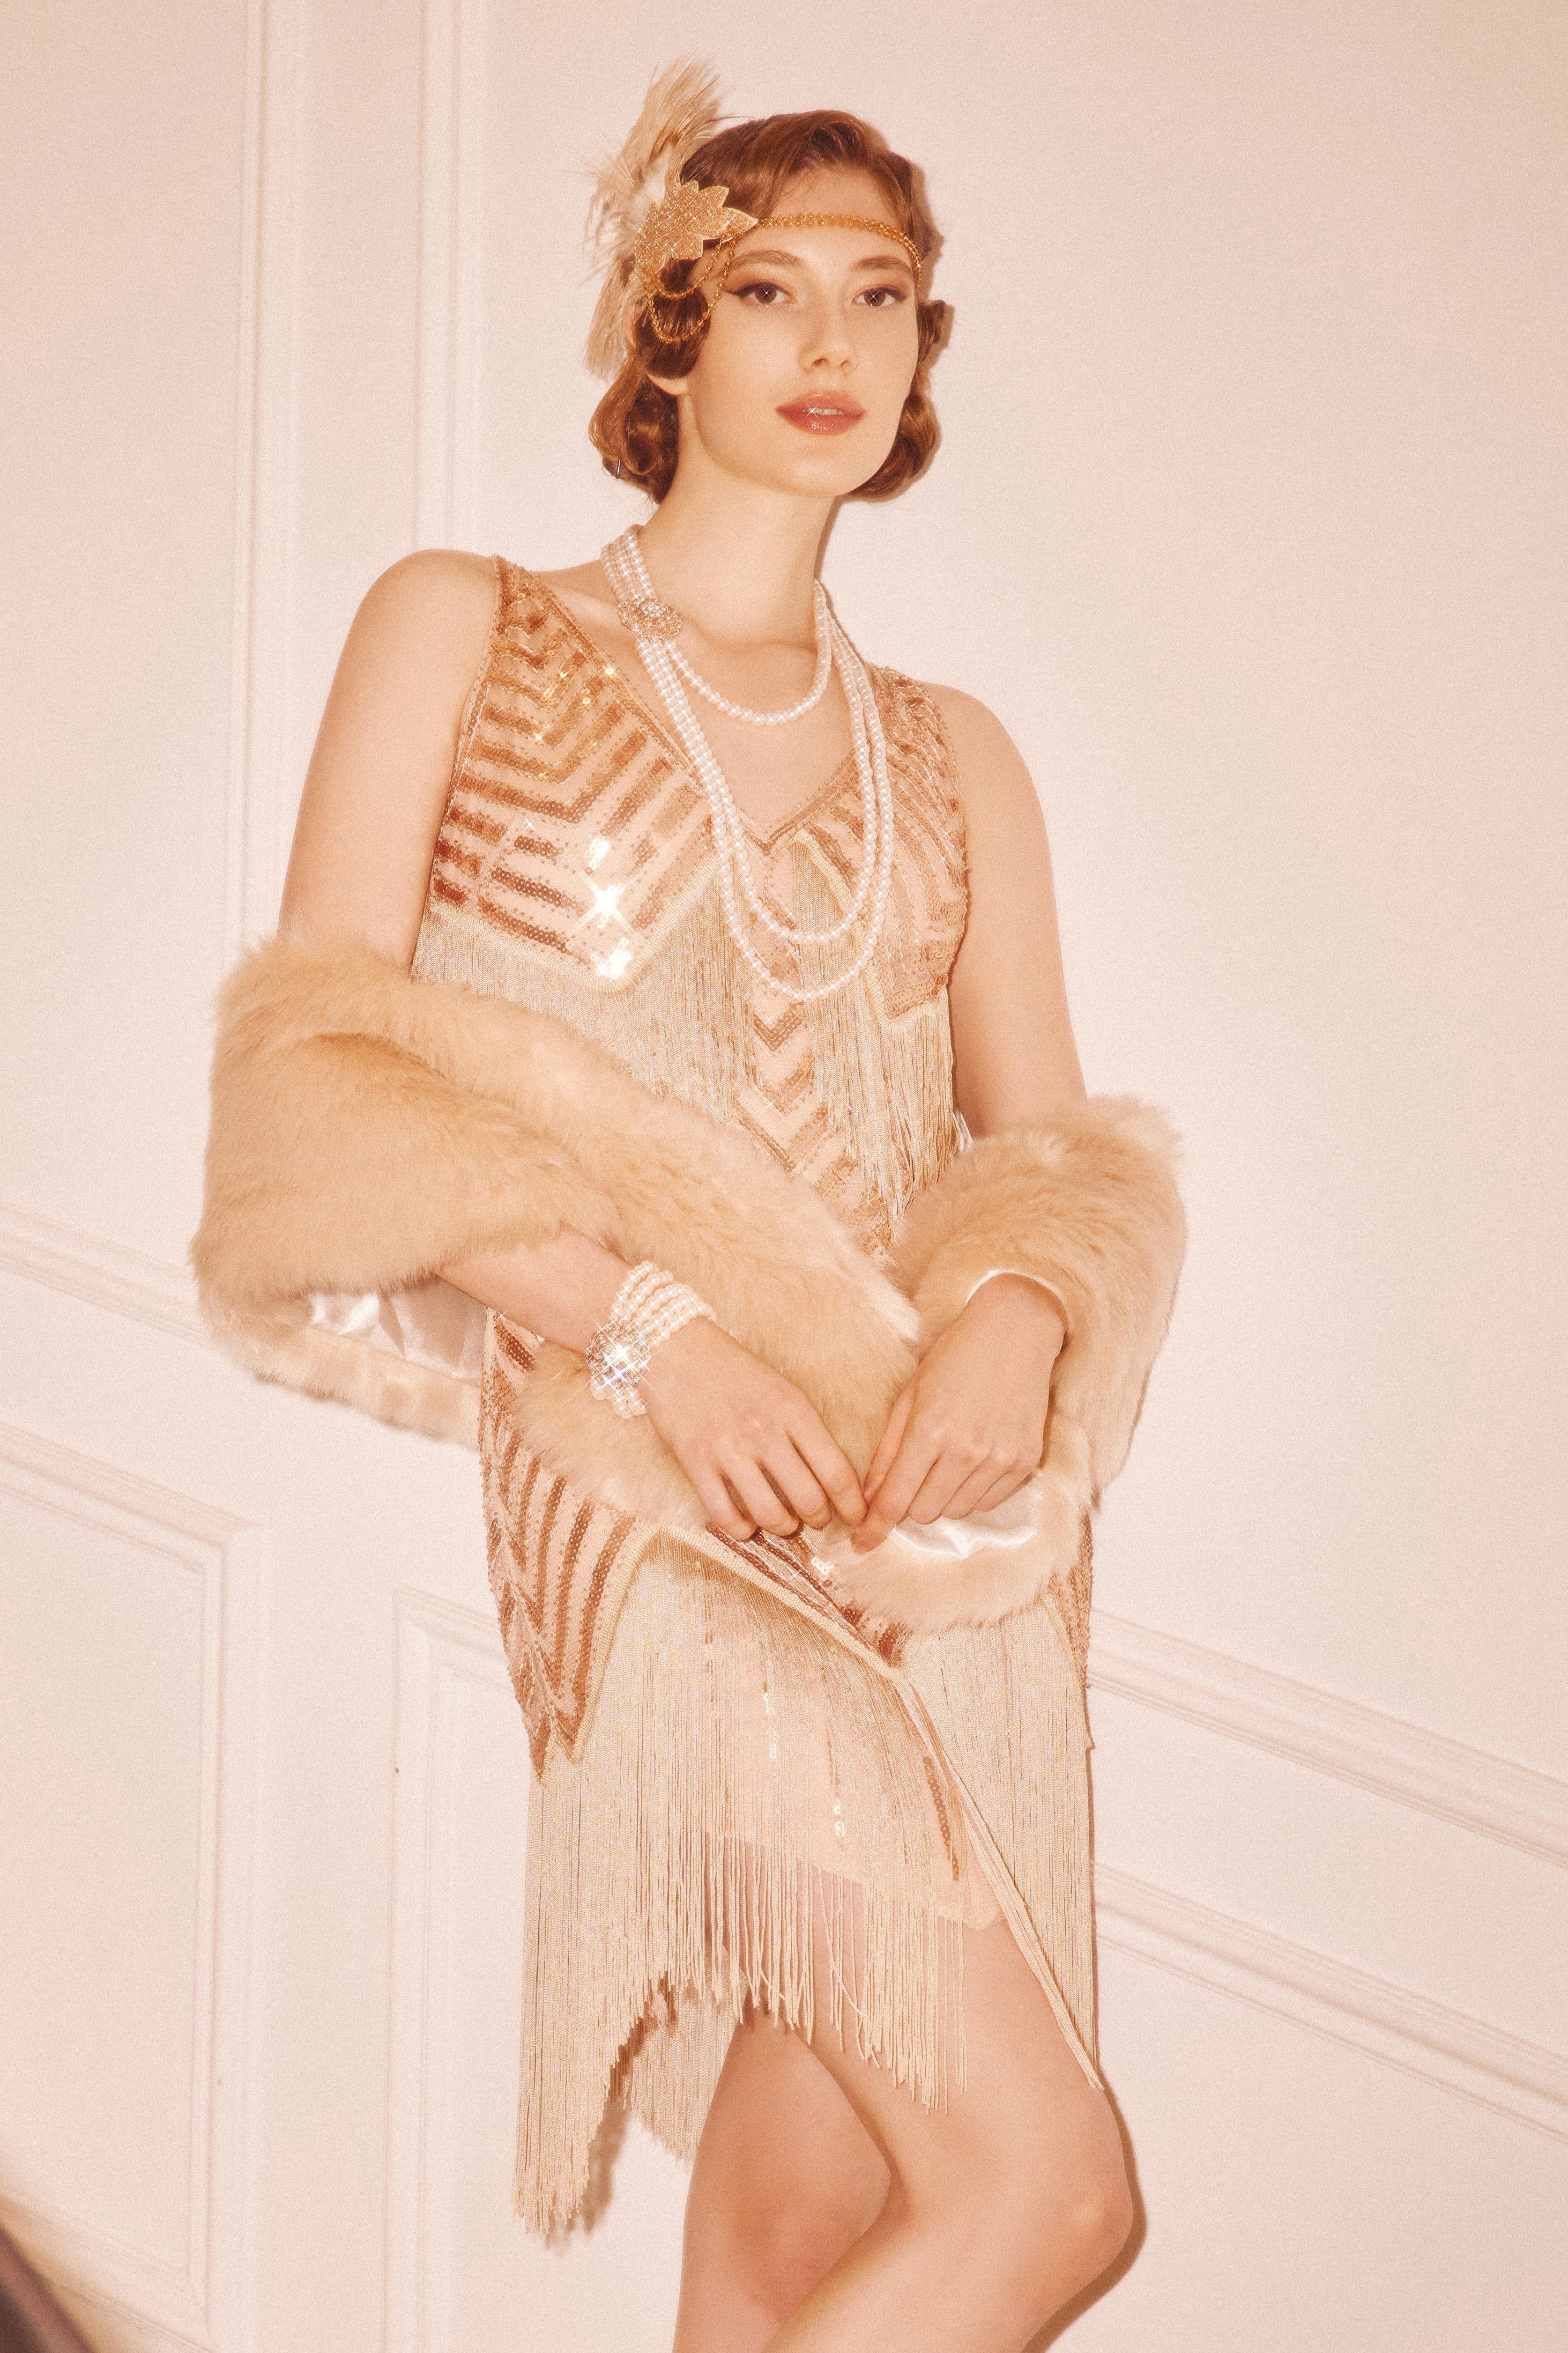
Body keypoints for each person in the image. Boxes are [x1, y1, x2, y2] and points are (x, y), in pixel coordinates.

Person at [193, 62, 1184, 2353]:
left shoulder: (959, 752)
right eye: (768, 289)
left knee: (789, 2252)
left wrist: (1023, 1312)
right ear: (671, 323)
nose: (834, 340)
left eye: (883, 296)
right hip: (642, 1477)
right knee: (1051, 2191)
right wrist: (656, 1327)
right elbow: (309, 1074)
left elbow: (1048, 1147)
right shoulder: (466, 621)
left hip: (927, 1518)